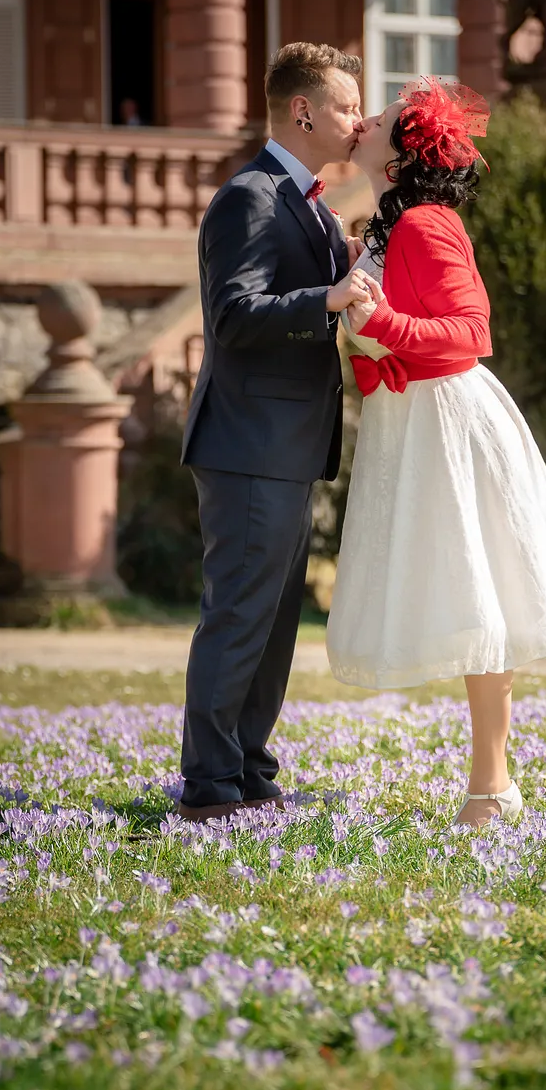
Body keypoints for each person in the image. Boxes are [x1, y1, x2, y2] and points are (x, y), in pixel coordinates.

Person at [327, 79, 546, 829]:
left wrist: (383, 325)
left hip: (452, 423)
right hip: (407, 425)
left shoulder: (427, 223)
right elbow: (377, 337)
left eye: (381, 117)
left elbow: (470, 335)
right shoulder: (380, 231)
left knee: (478, 596)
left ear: (403, 152)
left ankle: (491, 790)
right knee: (467, 595)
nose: (363, 121)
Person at [176, 42, 370, 824]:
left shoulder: (315, 207)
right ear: (304, 112)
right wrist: (323, 300)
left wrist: (345, 267)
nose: (358, 121)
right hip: (249, 445)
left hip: (285, 447)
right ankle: (210, 787)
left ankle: (250, 770)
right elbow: (231, 315)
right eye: (348, 107)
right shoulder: (249, 198)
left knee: (273, 621)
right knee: (239, 614)